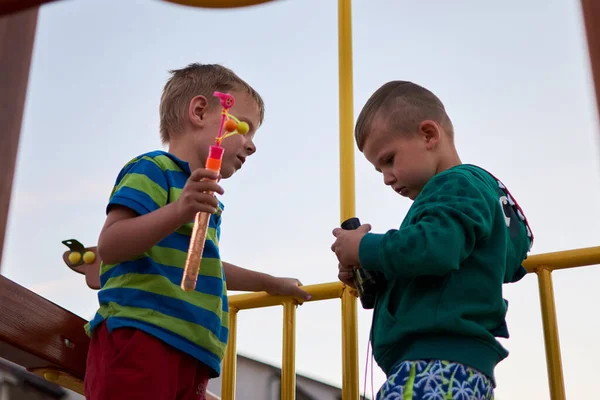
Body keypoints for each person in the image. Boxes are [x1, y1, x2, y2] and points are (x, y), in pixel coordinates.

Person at [83, 63, 311, 400]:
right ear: (200, 111)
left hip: (191, 353)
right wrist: (180, 209)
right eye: (243, 128)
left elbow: (202, 262)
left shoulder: (201, 198)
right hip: (143, 337)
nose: (251, 145)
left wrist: (269, 283)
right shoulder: (154, 169)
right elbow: (111, 245)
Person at [330, 81, 533, 399]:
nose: (386, 178)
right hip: (460, 368)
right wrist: (373, 273)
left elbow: (433, 250)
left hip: (432, 364)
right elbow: (460, 263)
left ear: (428, 135)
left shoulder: (454, 185)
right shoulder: (479, 194)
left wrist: (364, 247)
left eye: (389, 160)